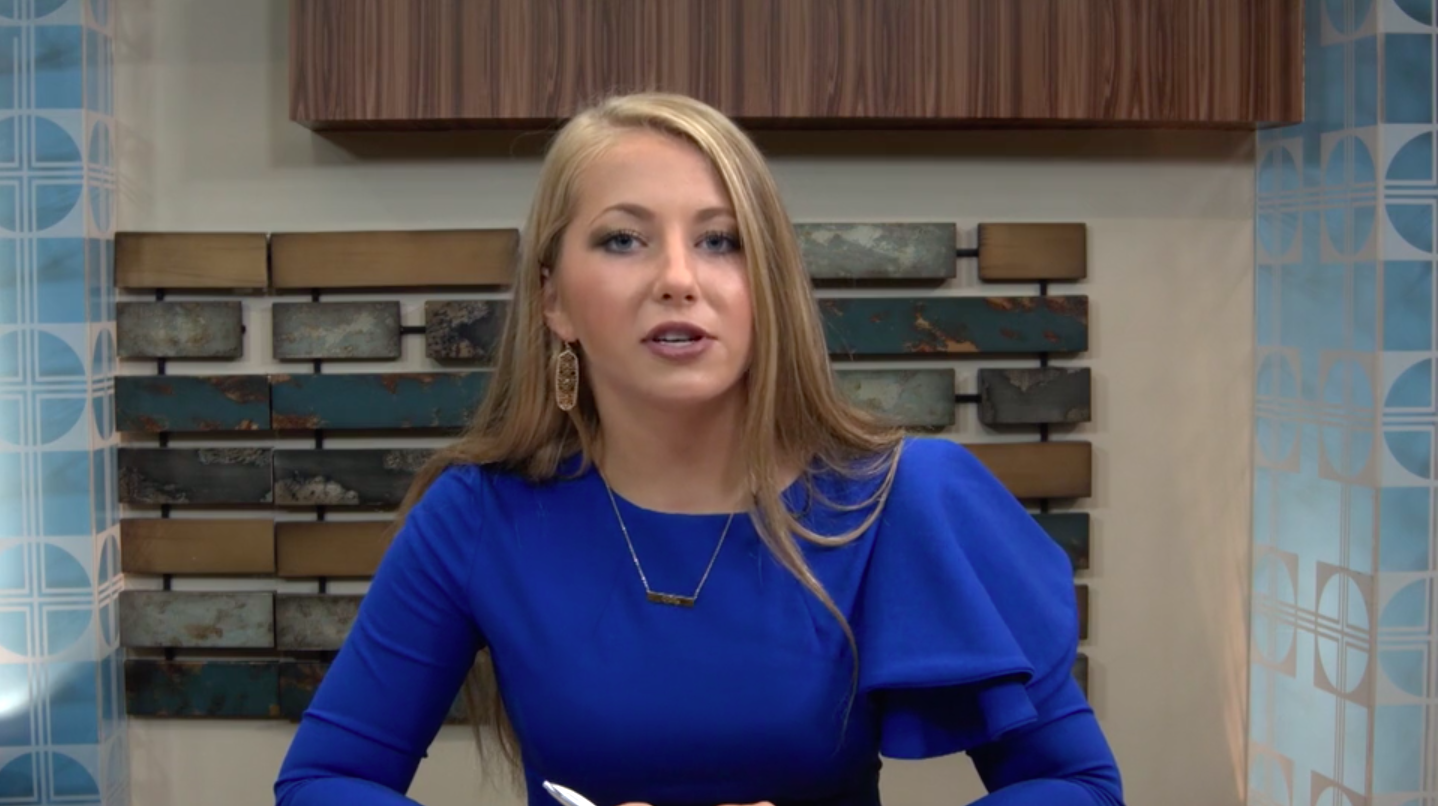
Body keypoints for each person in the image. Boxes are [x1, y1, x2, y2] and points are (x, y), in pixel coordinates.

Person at [272, 91, 1124, 806]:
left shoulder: (908, 498)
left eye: (720, 240)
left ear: (767, 286)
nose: (678, 278)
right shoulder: (478, 514)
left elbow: (1076, 786)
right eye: (623, 239)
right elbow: (325, 780)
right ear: (554, 301)